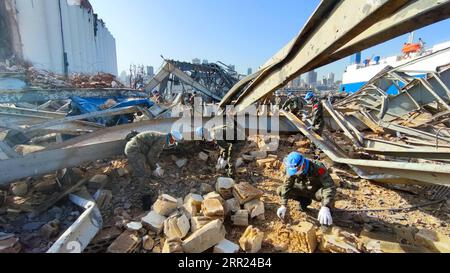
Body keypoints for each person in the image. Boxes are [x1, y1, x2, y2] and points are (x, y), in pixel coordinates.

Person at [276, 152, 336, 226]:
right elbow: (287, 186)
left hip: (316, 192)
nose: (294, 173)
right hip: (303, 189)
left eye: (296, 170)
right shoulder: (292, 169)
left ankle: (327, 219)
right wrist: (283, 205)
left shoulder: (318, 168)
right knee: (280, 190)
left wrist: (325, 206)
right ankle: (304, 201)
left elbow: (329, 186)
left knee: (327, 195)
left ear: (303, 164)